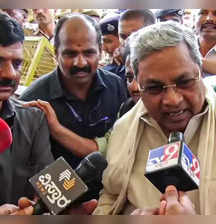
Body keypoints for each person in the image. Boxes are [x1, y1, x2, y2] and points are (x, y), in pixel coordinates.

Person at [93, 21, 216, 215]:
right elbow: (111, 196)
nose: (172, 100)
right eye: (154, 88)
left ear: (200, 72)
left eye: (184, 81)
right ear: (137, 85)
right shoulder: (124, 131)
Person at [19, 13, 127, 170]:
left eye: (88, 53)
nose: (80, 62)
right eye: (70, 54)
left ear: (100, 50)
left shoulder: (116, 86)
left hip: (112, 189)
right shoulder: (34, 99)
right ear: (56, 53)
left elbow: (124, 145)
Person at [0, 13, 54, 213]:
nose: (10, 74)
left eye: (17, 63)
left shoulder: (33, 119)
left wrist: (41, 208)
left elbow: (49, 192)